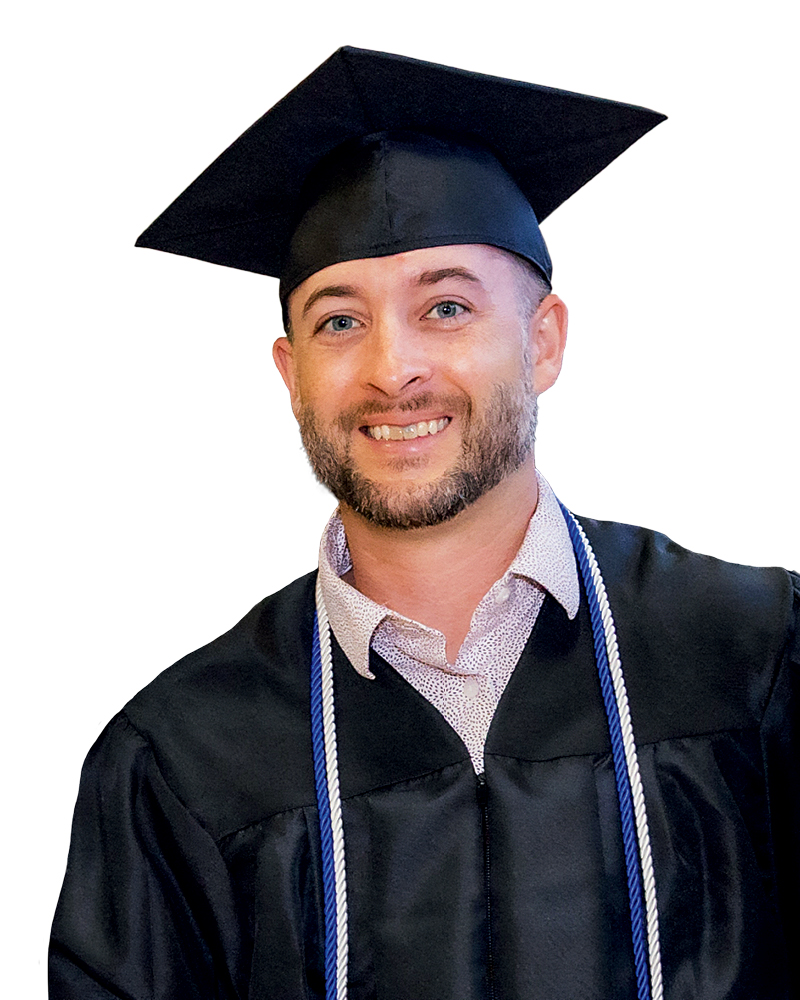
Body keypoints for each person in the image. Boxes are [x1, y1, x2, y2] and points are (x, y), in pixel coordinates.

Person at [49, 47, 798, 1000]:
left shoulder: (757, 659)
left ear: (544, 340)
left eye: (446, 306)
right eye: (338, 322)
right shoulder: (182, 759)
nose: (392, 368)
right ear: (289, 374)